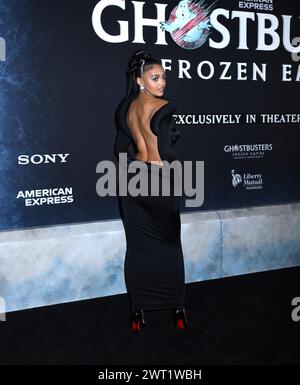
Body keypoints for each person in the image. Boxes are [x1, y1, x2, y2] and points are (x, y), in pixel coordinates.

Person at [114, 50, 188, 331]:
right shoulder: (164, 107)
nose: (162, 83)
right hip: (160, 180)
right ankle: (178, 309)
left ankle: (137, 312)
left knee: (138, 248)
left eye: (164, 77)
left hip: (131, 180)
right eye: (155, 78)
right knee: (170, 247)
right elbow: (167, 151)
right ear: (140, 80)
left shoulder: (125, 108)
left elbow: (120, 149)